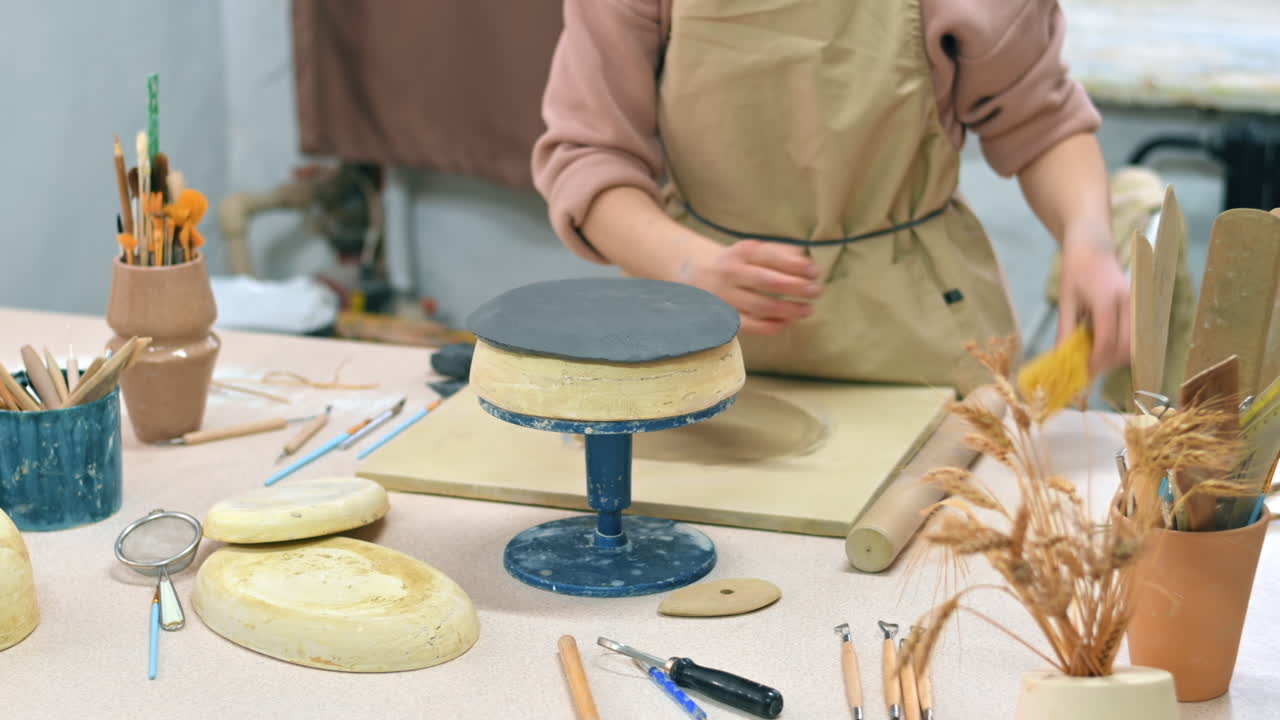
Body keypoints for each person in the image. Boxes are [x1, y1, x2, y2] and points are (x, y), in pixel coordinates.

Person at [532, 0, 1130, 394]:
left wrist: (1089, 239)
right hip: (697, 335)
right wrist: (688, 265)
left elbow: (1042, 122)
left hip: (916, 340)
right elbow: (591, 156)